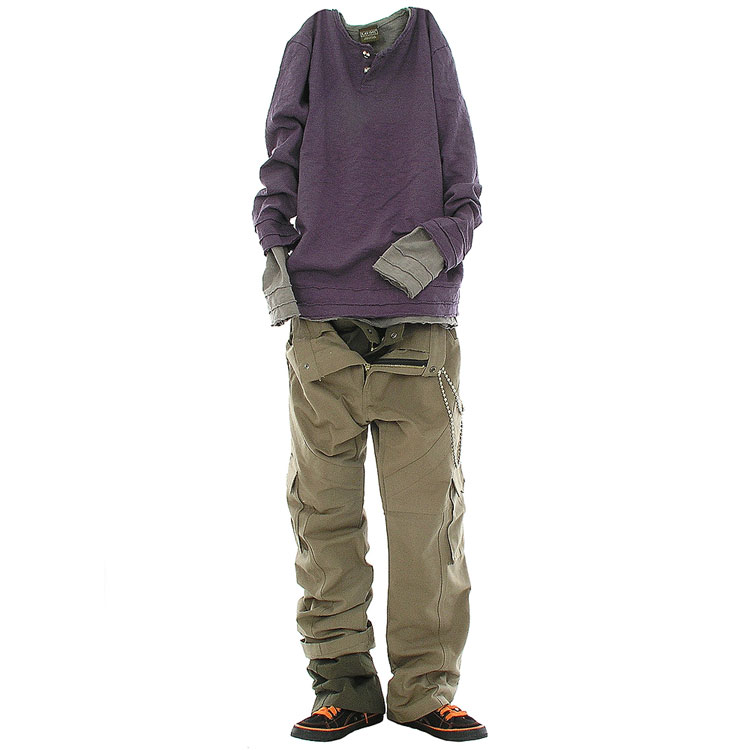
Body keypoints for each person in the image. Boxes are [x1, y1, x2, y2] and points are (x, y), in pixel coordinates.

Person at [252, 7, 486, 742]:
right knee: (322, 514)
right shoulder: (311, 43)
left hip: (421, 328)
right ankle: (342, 686)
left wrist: (422, 259)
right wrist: (279, 264)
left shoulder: (429, 44)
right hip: (322, 324)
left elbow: (467, 191)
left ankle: (424, 690)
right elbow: (276, 168)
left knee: (429, 522)